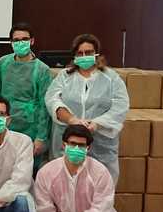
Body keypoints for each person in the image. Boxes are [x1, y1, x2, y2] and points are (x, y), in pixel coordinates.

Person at [44, 34, 129, 183]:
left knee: (98, 183)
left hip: (100, 141)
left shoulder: (111, 78)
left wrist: (98, 123)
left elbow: (120, 105)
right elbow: (52, 99)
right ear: (75, 56)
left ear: (96, 53)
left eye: (89, 52)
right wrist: (71, 119)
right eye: (80, 53)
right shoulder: (64, 76)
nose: (84, 56)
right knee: (64, 182)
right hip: (68, 139)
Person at [0, 22, 53, 171]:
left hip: (31, 126)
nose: (20, 43)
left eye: (24, 39)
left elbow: (44, 106)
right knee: (4, 169)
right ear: (11, 42)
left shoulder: (42, 70)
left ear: (32, 41)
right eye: (16, 40)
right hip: (6, 125)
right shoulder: (3, 63)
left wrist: (41, 137)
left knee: (27, 171)